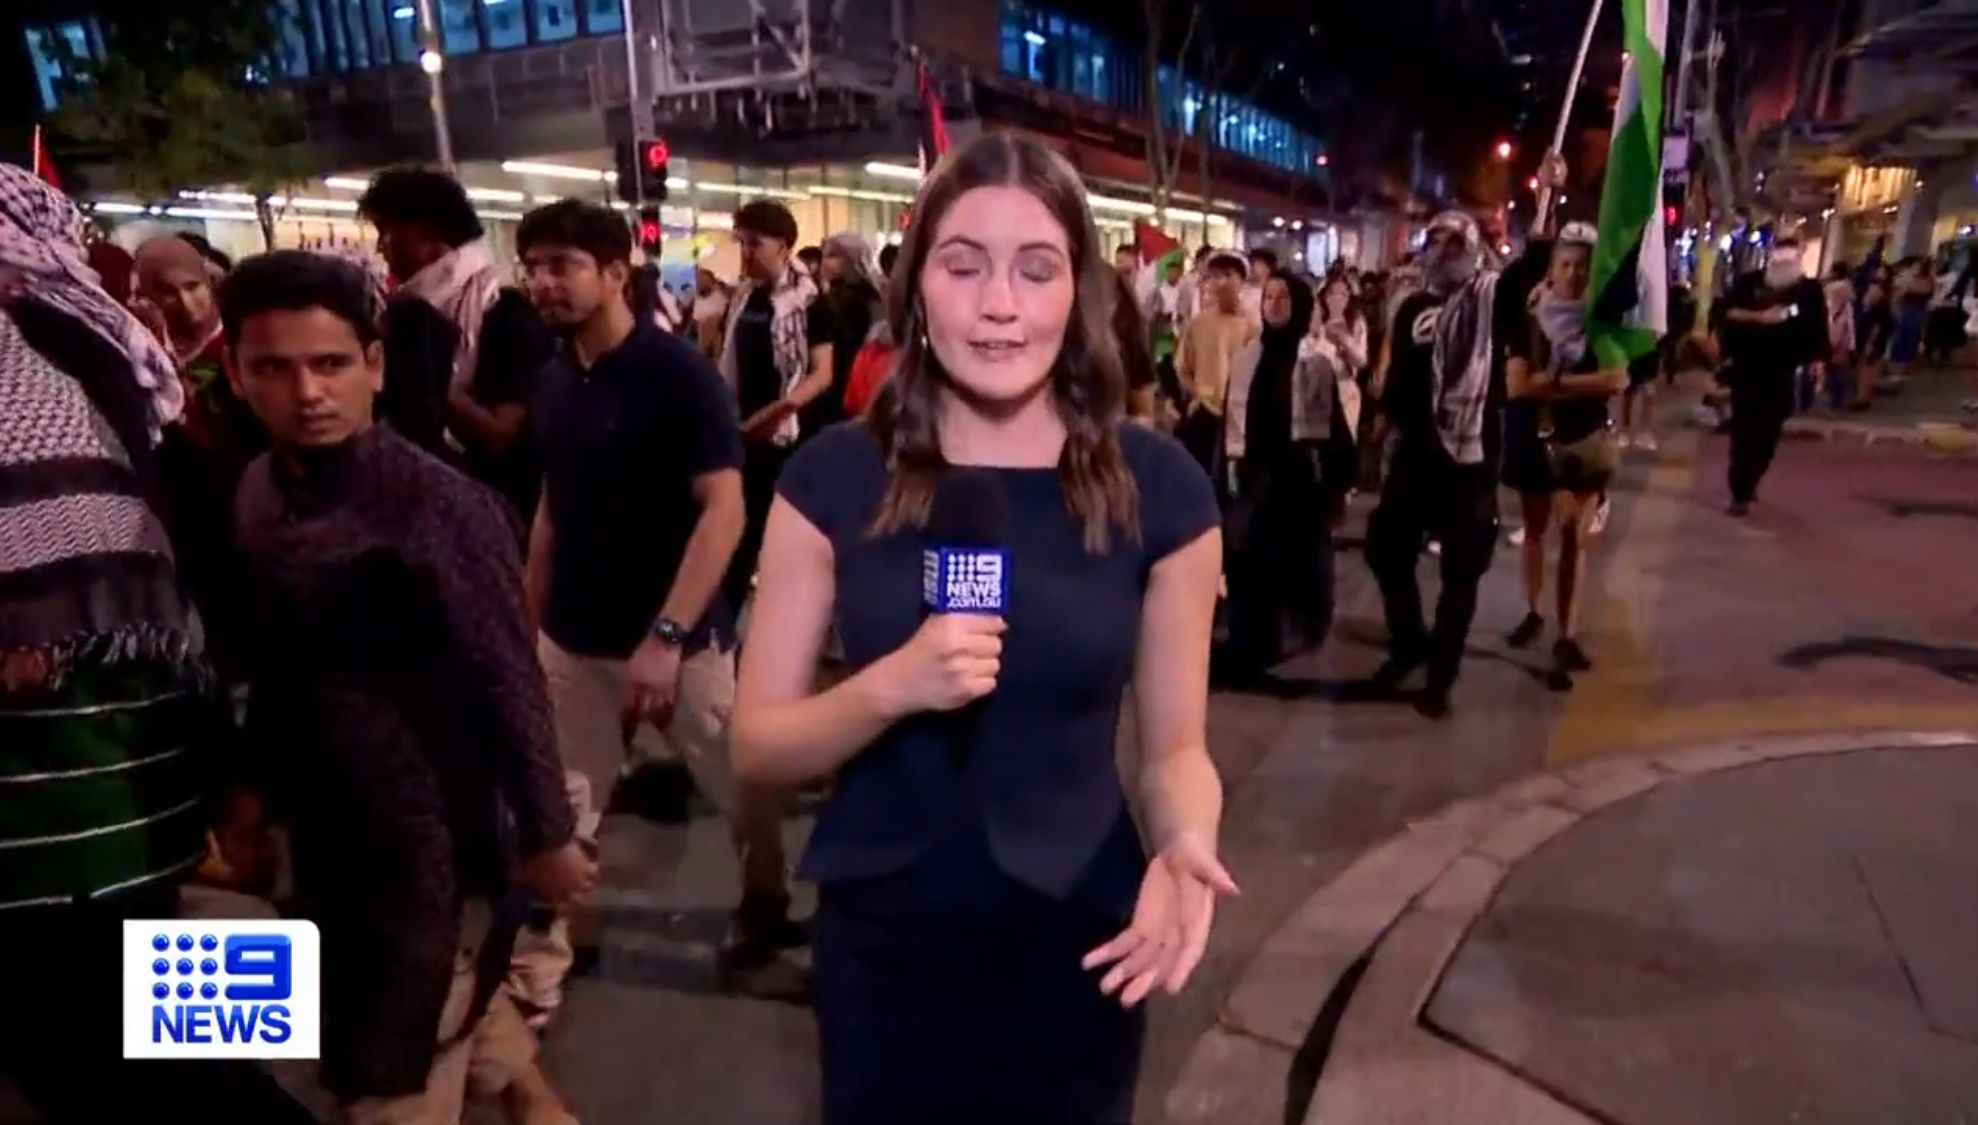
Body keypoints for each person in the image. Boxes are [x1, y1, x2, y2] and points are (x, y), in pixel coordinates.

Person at [731, 132, 1235, 1124]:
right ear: (916, 288)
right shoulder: (830, 477)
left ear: (1078, 291)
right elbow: (758, 744)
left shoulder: (1161, 487)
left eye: (1035, 269)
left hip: (1081, 936)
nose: (999, 304)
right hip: (885, 949)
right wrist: (892, 685)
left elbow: (1177, 748)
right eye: (963, 267)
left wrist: (1186, 841)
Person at [219, 250, 590, 1124]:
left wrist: (547, 832)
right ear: (235, 373)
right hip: (323, 824)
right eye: (274, 368)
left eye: (331, 363)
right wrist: (250, 791)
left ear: (375, 365)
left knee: (384, 1060)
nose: (308, 391)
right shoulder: (259, 490)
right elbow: (276, 661)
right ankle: (536, 1103)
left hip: (431, 831)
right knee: (387, 996)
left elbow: (509, 675)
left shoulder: (438, 505)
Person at [0, 164, 318, 1125]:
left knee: (125, 1067)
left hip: (66, 816)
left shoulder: (39, 376)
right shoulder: (105, 359)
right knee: (177, 1048)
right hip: (157, 785)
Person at [517, 200, 799, 991]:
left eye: (563, 265)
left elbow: (724, 510)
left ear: (616, 273)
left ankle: (767, 904)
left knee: (743, 789)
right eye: (533, 267)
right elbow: (553, 506)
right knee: (563, 803)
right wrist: (528, 618)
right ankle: (548, 950)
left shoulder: (678, 376)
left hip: (683, 644)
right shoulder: (554, 381)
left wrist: (668, 635)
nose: (543, 283)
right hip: (574, 641)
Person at [1365, 163, 1560, 720]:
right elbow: (1402, 379)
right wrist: (1381, 430)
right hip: (1416, 454)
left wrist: (1547, 195)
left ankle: (1440, 678)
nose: (1443, 249)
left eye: (1455, 241)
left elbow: (1529, 270)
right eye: (1435, 240)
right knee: (1385, 548)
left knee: (1461, 570)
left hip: (1470, 460)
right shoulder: (1411, 306)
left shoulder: (1491, 299)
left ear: (1473, 248)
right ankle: (1409, 642)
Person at [359, 166, 557, 523]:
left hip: (503, 514)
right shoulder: (404, 316)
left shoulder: (504, 313)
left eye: (386, 234)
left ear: (427, 238)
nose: (380, 248)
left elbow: (500, 434)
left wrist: (429, 377)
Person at [1500, 224, 1625, 691]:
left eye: (1582, 267)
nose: (1573, 274)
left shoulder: (1603, 323)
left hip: (1583, 442)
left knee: (1573, 535)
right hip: (1534, 438)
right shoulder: (1529, 319)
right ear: (1551, 271)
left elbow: (1617, 379)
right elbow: (1517, 386)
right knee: (1536, 530)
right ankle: (1534, 612)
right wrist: (1584, 384)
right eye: (1565, 265)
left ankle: (1566, 636)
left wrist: (1552, 383)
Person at [136, 234, 265, 675]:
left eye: (193, 287)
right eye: (167, 292)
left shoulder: (245, 346)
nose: (186, 304)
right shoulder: (142, 354)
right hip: (186, 524)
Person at [1220, 271, 1356, 678]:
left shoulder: (1314, 362)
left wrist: (1336, 484)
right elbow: (1231, 421)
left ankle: (1294, 632)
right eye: (1269, 297)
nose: (1274, 305)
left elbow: (1332, 431)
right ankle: (1251, 638)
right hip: (1253, 475)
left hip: (1297, 481)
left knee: (1294, 559)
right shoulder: (1247, 358)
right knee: (1246, 557)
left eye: (1283, 298)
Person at [719, 200, 836, 615]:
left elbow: (822, 373)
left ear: (784, 247)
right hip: (742, 432)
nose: (746, 253)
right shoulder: (744, 298)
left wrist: (780, 411)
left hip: (789, 437)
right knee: (736, 536)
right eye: (741, 243)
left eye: (755, 244)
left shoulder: (810, 304)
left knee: (774, 539)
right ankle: (728, 626)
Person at [1715, 238, 1828, 516]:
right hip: (1747, 369)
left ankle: (1752, 479)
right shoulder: (1748, 284)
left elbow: (1817, 327)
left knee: (1769, 432)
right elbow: (1725, 313)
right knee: (1743, 430)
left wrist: (1817, 361)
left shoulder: (1809, 291)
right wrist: (1759, 318)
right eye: (1778, 261)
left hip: (1783, 371)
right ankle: (1740, 491)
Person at [1174, 252, 1258, 479]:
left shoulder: (1253, 325)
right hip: (1204, 413)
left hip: (1241, 417)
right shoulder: (1198, 324)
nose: (1221, 282)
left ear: (1241, 280)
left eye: (1228, 275)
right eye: (1215, 276)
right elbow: (1183, 367)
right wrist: (1199, 395)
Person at [805, 231, 887, 438]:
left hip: (843, 397)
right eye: (824, 255)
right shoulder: (871, 299)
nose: (825, 263)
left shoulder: (849, 303)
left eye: (834, 256)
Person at [1242, 247, 1278, 319]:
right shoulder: (1238, 290)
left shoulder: (1274, 296)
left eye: (1254, 263)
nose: (1249, 267)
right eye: (1249, 263)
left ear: (1268, 268)